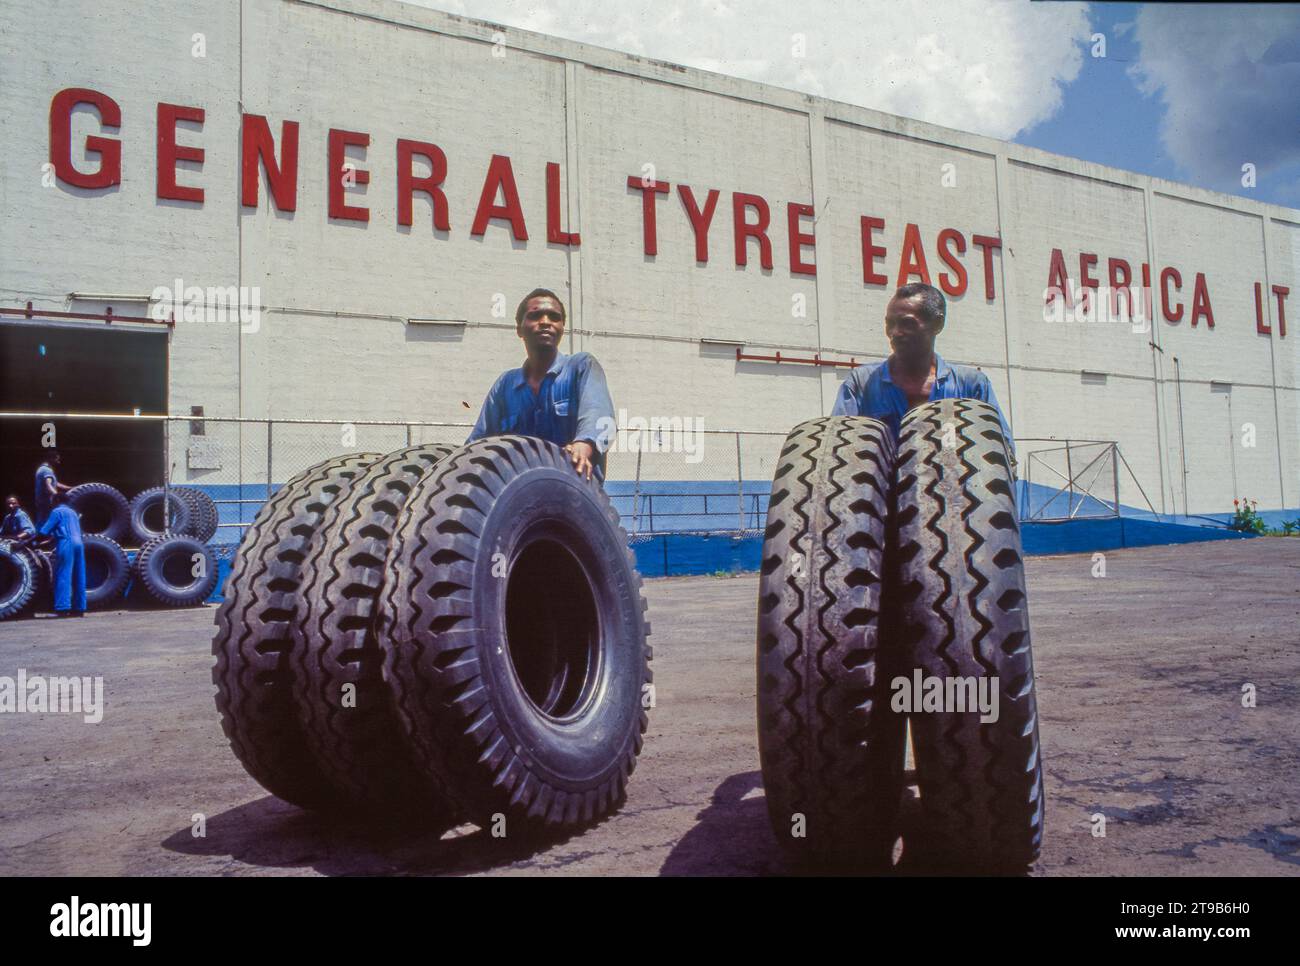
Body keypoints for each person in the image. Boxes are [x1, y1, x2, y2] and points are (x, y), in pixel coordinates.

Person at [831, 282, 1015, 453]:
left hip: (952, 486)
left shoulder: (970, 386)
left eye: (907, 323)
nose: (894, 333)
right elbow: (837, 450)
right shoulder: (861, 384)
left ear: (937, 324)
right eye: (890, 324)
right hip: (880, 488)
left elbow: (999, 454)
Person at [467, 288, 615, 481]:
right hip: (518, 493)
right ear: (519, 329)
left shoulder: (581, 367)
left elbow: (600, 417)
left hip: (576, 490)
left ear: (562, 328)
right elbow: (478, 442)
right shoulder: (505, 385)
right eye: (535, 316)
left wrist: (584, 445)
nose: (545, 322)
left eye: (554, 317)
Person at [21, 491, 86, 617]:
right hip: (79, 544)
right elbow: (54, 535)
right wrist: (40, 544)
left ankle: (62, 608)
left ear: (56, 501)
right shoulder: (73, 513)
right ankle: (79, 608)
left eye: (52, 500)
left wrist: (25, 542)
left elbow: (43, 532)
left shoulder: (57, 512)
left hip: (66, 543)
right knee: (79, 575)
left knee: (63, 574)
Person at [34, 449, 72, 527]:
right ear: (51, 459)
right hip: (47, 502)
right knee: (47, 522)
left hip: (41, 501)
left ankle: (39, 537)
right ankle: (42, 537)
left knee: (42, 520)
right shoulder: (47, 470)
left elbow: (56, 484)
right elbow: (48, 485)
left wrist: (69, 488)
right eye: (57, 459)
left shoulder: (41, 469)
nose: (59, 462)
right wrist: (57, 496)